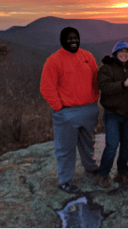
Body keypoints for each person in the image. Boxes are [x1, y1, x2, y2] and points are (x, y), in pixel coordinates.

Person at [40, 26, 100, 194]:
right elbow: (46, 88)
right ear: (62, 40)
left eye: (76, 38)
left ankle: (91, 167)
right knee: (66, 149)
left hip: (89, 109)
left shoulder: (87, 56)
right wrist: (60, 108)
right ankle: (65, 180)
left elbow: (96, 78)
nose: (73, 41)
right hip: (67, 113)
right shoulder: (54, 60)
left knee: (89, 143)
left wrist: (95, 97)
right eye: (69, 38)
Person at [96, 41, 128, 188]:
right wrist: (123, 84)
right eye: (121, 52)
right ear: (115, 53)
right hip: (112, 113)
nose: (124, 54)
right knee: (112, 145)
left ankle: (122, 172)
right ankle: (103, 174)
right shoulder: (106, 68)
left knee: (126, 146)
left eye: (127, 52)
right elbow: (104, 86)